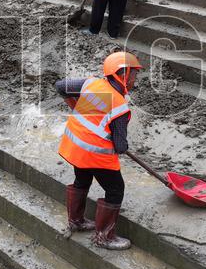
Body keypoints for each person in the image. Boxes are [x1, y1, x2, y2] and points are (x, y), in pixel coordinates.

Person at [55, 51, 142, 250]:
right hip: (94, 153)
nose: (135, 80)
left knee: (82, 179)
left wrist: (75, 106)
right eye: (134, 75)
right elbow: (120, 147)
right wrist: (120, 140)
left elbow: (61, 86)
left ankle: (76, 221)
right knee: (115, 189)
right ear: (123, 75)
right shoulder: (119, 107)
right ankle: (105, 237)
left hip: (75, 146)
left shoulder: (91, 83)